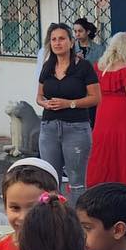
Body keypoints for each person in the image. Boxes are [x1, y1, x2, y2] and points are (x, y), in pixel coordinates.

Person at [37, 23, 99, 200]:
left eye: (62, 39)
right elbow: (39, 96)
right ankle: (54, 222)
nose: (57, 43)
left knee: (76, 182)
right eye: (54, 39)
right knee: (50, 181)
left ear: (71, 42)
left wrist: (69, 103)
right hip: (49, 127)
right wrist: (45, 103)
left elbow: (95, 98)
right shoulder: (47, 67)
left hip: (76, 127)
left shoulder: (84, 67)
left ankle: (77, 223)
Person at [85, 32, 126, 196]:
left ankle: (99, 182)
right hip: (124, 112)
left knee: (103, 147)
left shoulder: (100, 66)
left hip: (104, 110)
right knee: (124, 148)